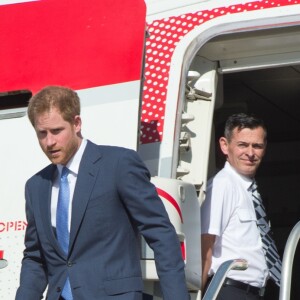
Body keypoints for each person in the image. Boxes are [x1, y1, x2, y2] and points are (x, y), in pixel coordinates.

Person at [16, 86, 189, 300]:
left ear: (77, 123)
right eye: (42, 133)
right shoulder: (36, 186)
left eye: (57, 131)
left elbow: (160, 234)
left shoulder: (118, 164)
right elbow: (35, 257)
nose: (49, 142)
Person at [201, 113, 281, 299]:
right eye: (243, 145)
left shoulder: (249, 189)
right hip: (230, 290)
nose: (251, 153)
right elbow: (205, 246)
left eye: (257, 146)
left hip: (253, 292)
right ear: (224, 145)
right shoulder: (223, 185)